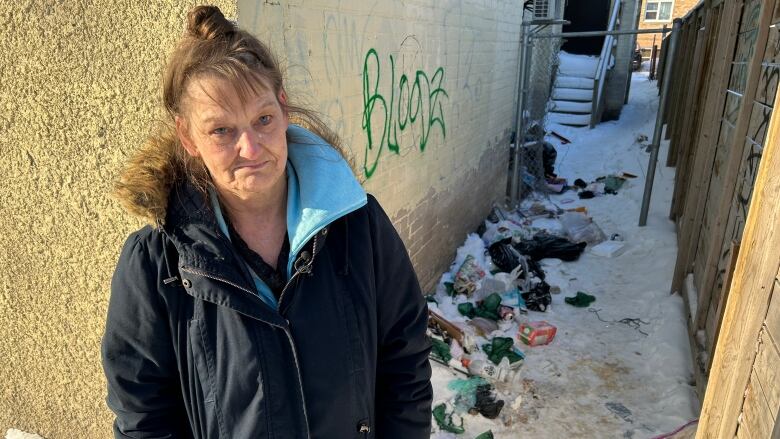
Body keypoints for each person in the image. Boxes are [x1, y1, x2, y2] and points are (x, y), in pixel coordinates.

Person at [101, 5, 432, 438]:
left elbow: (404, 359)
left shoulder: (358, 227)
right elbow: (142, 413)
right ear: (188, 137)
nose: (251, 148)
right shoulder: (156, 265)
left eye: (263, 120)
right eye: (221, 130)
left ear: (283, 108)